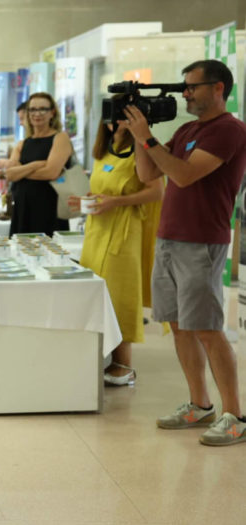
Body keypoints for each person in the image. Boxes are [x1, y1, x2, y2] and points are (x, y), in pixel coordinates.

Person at [124, 59, 246, 446]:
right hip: (169, 237)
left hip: (202, 241)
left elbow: (184, 174)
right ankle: (200, 403)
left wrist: (147, 139)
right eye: (185, 86)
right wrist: (137, 134)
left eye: (193, 86)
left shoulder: (230, 130)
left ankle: (235, 415)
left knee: (207, 328)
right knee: (178, 325)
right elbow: (148, 174)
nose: (185, 93)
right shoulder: (186, 129)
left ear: (219, 89)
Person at [69, 121, 162, 386]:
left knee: (120, 296)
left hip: (124, 231)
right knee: (96, 292)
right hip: (97, 231)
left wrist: (115, 202)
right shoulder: (104, 151)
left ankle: (125, 363)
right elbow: (103, 190)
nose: (118, 122)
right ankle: (104, 355)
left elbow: (156, 191)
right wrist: (89, 200)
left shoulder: (141, 150)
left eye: (125, 116)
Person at [0, 92, 73, 236]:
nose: (37, 113)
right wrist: (36, 165)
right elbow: (9, 174)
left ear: (52, 113)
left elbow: (51, 173)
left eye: (42, 109)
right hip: (23, 209)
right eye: (32, 109)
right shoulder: (23, 143)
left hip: (49, 208)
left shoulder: (60, 138)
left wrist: (21, 170)